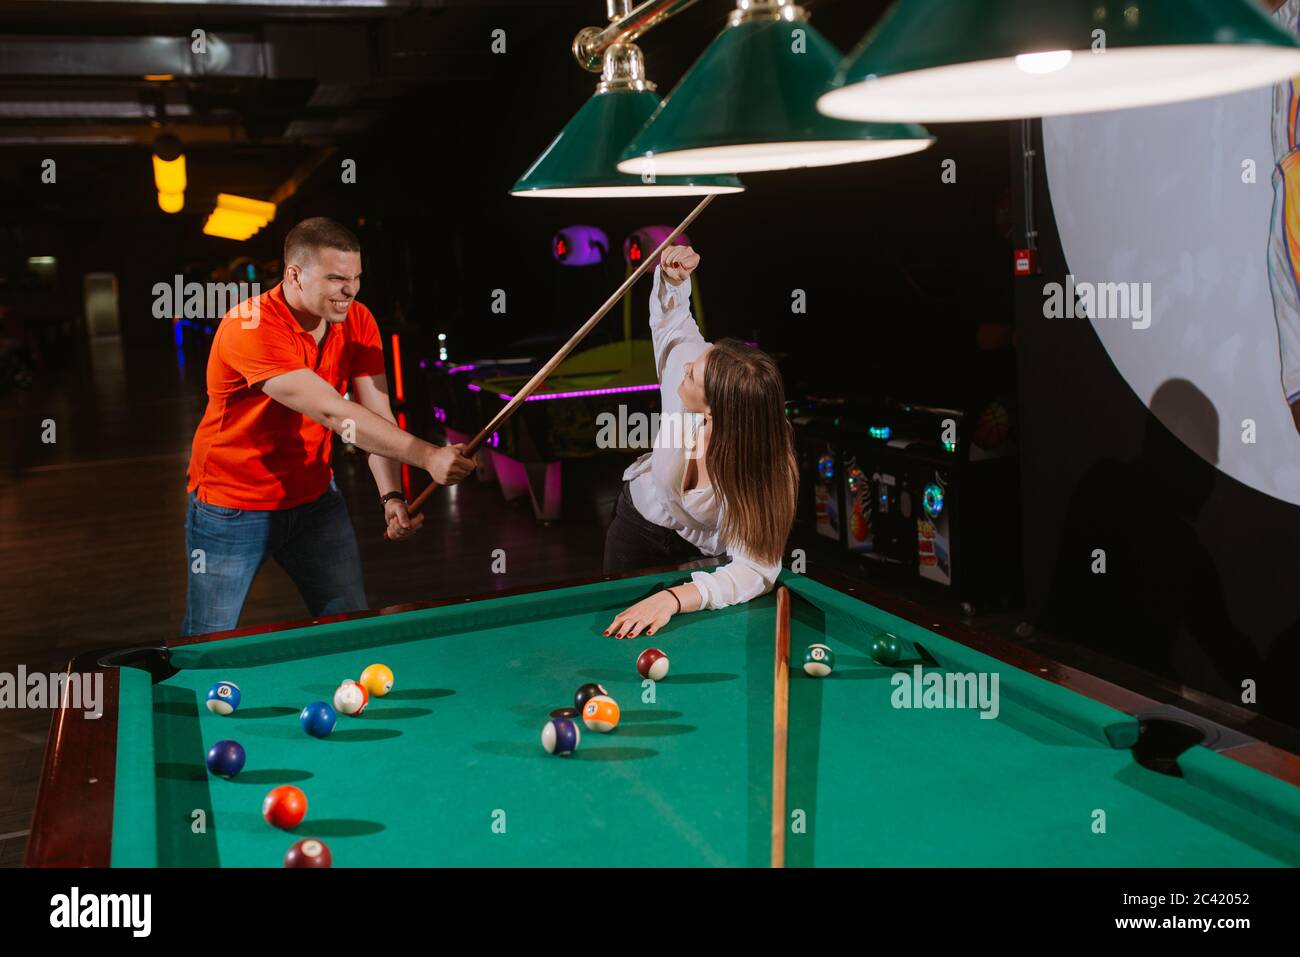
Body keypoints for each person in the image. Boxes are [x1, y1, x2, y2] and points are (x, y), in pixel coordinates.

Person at [183, 217, 473, 635]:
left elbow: (376, 417)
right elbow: (335, 413)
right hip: (233, 506)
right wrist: (428, 455)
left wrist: (391, 494)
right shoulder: (249, 326)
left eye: (355, 278)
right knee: (206, 639)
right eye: (336, 278)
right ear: (294, 275)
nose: (350, 290)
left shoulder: (357, 319)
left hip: (316, 500)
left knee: (349, 625)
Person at [602, 245, 798, 639]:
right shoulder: (693, 368)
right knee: (619, 624)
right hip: (638, 521)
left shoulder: (765, 473)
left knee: (696, 639)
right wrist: (674, 278)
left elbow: (755, 570)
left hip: (706, 552)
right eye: (698, 362)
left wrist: (673, 598)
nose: (687, 368)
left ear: (714, 412)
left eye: (693, 377)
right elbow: (675, 324)